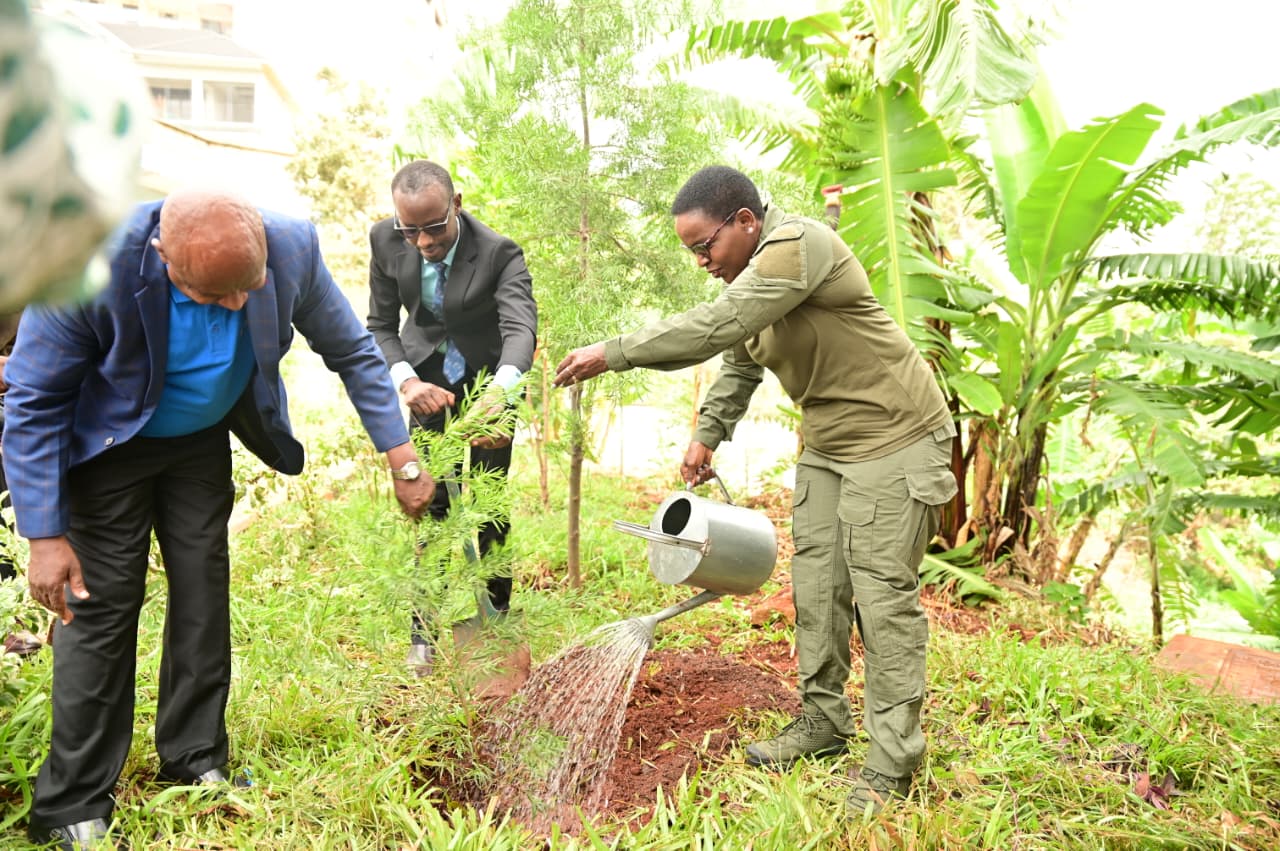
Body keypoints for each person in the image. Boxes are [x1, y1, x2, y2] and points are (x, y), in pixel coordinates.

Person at [3, 189, 436, 850]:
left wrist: (401, 456)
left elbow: (351, 350)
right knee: (100, 607)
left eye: (248, 287)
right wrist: (45, 535)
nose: (237, 305)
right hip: (108, 447)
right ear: (162, 256)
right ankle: (72, 802)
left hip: (199, 443)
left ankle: (195, 757)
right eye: (213, 294)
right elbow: (35, 398)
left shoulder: (290, 245)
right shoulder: (88, 261)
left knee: (203, 594)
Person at [554, 166, 957, 817]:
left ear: (745, 221)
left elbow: (718, 325)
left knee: (882, 597)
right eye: (692, 251)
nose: (701, 261)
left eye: (704, 245)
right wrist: (706, 435)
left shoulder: (797, 247)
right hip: (829, 446)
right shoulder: (751, 280)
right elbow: (739, 363)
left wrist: (615, 351)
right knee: (817, 585)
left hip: (896, 437)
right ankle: (823, 721)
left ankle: (892, 761)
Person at [367, 160, 537, 674]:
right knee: (433, 502)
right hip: (425, 383)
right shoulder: (384, 240)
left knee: (487, 501)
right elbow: (380, 324)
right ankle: (423, 632)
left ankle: (497, 619)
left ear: (456, 204)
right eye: (410, 230)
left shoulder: (499, 252)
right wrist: (407, 381)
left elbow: (520, 329)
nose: (422, 242)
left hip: (489, 383)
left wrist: (499, 394)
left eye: (434, 227)